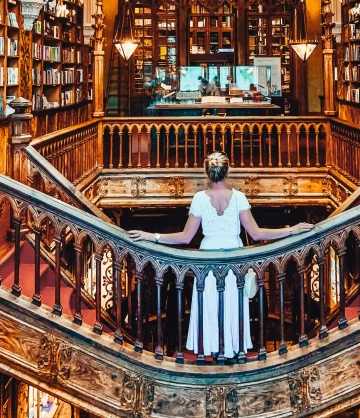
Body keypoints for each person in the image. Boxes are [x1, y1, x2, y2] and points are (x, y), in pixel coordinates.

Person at [129, 151, 314, 361]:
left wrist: (151, 236)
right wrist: (291, 229)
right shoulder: (238, 197)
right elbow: (256, 233)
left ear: (207, 173)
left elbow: (185, 236)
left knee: (210, 306)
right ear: (228, 171)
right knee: (232, 306)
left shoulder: (199, 198)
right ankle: (231, 351)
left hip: (208, 258)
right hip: (235, 258)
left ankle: (214, 351)